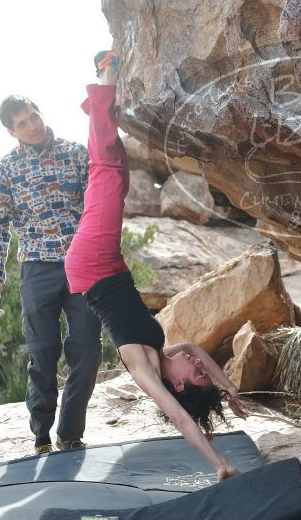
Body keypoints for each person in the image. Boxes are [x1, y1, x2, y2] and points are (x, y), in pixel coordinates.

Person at [65, 52, 247, 481]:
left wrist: (220, 464)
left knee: (107, 170)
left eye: (197, 376)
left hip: (91, 265)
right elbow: (199, 352)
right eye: (202, 372)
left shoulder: (144, 368)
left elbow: (183, 421)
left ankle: (103, 78)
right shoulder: (166, 352)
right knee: (117, 173)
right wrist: (226, 386)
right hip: (105, 264)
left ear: (178, 386)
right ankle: (97, 105)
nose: (199, 365)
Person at [0, 95, 102, 455]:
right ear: (10, 131)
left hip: (81, 264)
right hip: (37, 269)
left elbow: (100, 203)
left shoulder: (76, 153)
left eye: (34, 116)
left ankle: (70, 432)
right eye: (22, 123)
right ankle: (41, 437)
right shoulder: (6, 171)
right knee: (43, 354)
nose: (32, 125)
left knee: (87, 351)